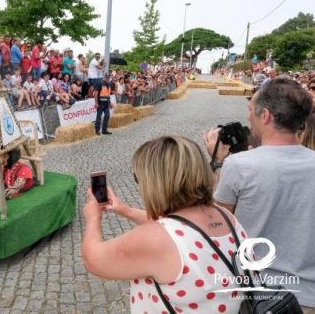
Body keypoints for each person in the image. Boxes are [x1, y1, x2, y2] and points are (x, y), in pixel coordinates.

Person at [82, 136, 246, 314]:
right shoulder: (225, 216)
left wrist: (93, 217)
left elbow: (93, 259)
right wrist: (124, 210)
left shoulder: (156, 239)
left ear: (155, 182)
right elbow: (178, 228)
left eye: (138, 178)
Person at [204, 78, 315, 311]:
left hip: (257, 296)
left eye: (250, 110)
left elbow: (217, 224)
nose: (248, 118)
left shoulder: (238, 165)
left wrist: (218, 162)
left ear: (265, 115)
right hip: (308, 296)